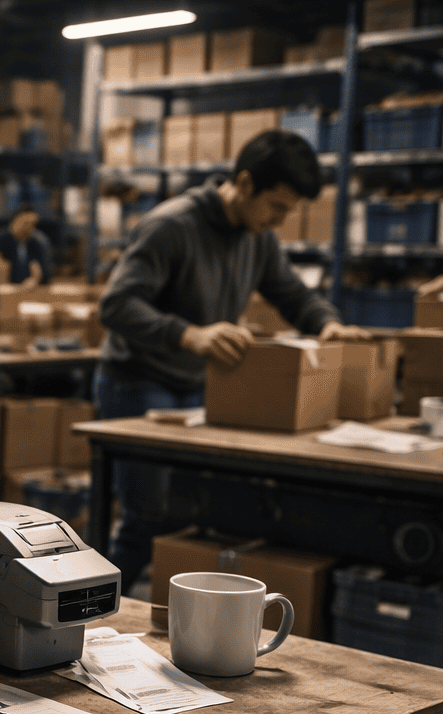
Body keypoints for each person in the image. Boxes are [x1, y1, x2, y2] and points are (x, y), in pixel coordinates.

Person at [95, 129, 372, 589]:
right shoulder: (172, 226)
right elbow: (117, 305)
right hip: (140, 380)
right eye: (277, 207)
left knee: (192, 514)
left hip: (199, 383)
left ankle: (172, 614)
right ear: (244, 184)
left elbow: (290, 292)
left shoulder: (256, 235)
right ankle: (94, 615)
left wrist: (326, 322)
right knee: (147, 518)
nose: (280, 220)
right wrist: (189, 334)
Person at [0, 205, 53, 285]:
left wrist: (36, 279)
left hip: (29, 290)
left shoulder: (37, 243)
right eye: (25, 223)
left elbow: (44, 272)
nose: (29, 228)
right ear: (14, 221)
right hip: (5, 287)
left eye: (33, 224)